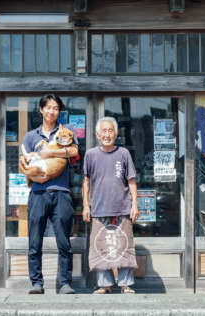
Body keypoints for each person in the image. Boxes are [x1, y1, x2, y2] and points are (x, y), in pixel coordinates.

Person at [19, 94, 79, 295]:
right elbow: (23, 164)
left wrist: (50, 153)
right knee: (34, 241)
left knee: (64, 241)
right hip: (38, 193)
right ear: (41, 110)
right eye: (49, 107)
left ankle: (65, 283)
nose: (52, 111)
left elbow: (73, 152)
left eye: (56, 108)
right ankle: (36, 282)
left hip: (61, 193)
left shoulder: (66, 132)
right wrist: (36, 177)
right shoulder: (31, 136)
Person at [83, 117, 139, 294]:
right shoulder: (90, 154)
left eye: (110, 131)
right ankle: (104, 285)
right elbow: (86, 181)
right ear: (97, 134)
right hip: (99, 209)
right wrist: (86, 205)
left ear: (115, 133)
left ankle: (125, 284)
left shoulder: (123, 153)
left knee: (124, 245)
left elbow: (131, 180)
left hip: (122, 207)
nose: (107, 134)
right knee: (100, 246)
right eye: (104, 131)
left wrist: (135, 204)